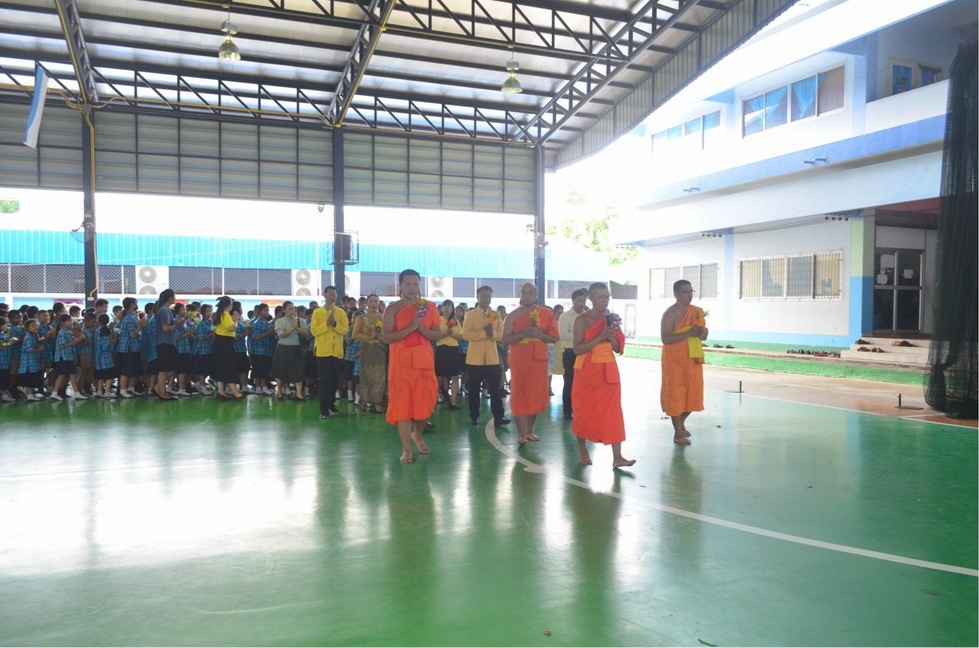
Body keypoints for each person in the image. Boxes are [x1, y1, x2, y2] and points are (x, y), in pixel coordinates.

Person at [571, 282, 636, 469]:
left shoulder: (611, 318)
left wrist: (611, 337)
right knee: (583, 410)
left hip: (608, 370)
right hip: (587, 371)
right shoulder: (581, 320)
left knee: (613, 411)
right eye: (600, 297)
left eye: (607, 297)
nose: (604, 301)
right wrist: (600, 336)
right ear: (591, 298)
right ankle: (583, 451)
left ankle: (618, 457)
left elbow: (618, 348)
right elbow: (577, 349)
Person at [382, 269, 442, 463]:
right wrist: (411, 327)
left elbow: (437, 334)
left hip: (424, 363)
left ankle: (417, 433)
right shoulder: (393, 309)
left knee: (426, 404)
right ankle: (406, 449)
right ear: (400, 286)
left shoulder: (429, 306)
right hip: (401, 365)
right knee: (403, 407)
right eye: (408, 284)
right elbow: (387, 337)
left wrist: (421, 327)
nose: (412, 288)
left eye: (415, 284)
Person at [502, 282, 558, 444]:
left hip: (539, 360)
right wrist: (523, 334)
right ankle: (520, 434)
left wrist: (540, 335)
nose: (527, 296)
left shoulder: (546, 313)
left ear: (536, 294)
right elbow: (505, 340)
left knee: (536, 395)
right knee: (520, 394)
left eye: (531, 293)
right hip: (520, 359)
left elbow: (554, 337)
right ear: (520, 294)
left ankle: (529, 431)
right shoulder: (512, 316)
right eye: (524, 293)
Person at [660, 279, 709, 445]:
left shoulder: (697, 312)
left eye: (691, 291)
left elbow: (703, 335)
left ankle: (680, 424)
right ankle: (678, 433)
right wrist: (689, 333)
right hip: (674, 362)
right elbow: (665, 338)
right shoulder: (670, 314)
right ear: (676, 294)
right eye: (685, 292)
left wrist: (702, 333)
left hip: (692, 359)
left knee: (692, 395)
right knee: (675, 396)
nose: (689, 295)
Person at [462, 285, 509, 428]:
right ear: (477, 297)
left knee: (495, 389)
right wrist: (484, 333)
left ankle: (499, 416)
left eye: (488, 296)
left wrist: (491, 334)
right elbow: (466, 335)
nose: (486, 299)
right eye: (483, 296)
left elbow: (500, 335)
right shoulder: (470, 315)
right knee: (474, 389)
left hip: (492, 358)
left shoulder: (495, 315)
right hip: (474, 359)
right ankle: (474, 416)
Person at [310, 285, 349, 420]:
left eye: (334, 294)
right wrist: (326, 324)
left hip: (336, 351)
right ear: (324, 295)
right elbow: (314, 331)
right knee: (324, 381)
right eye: (330, 294)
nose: (332, 296)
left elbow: (345, 330)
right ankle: (323, 409)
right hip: (323, 352)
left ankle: (331, 405)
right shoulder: (318, 312)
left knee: (334, 380)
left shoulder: (341, 312)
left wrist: (335, 325)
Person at [351, 294, 387, 413]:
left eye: (376, 301)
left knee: (379, 376)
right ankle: (364, 401)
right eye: (371, 301)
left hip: (380, 349)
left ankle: (377, 402)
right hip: (367, 348)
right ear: (366, 303)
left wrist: (381, 337)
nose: (373, 304)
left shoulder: (382, 317)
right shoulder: (361, 318)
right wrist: (369, 337)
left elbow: (387, 333)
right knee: (366, 376)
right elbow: (355, 334)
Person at [270, 300, 311, 400]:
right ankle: (280, 392)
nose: (292, 311)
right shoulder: (280, 321)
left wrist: (297, 328)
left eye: (293, 308)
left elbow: (306, 334)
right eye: (289, 309)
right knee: (280, 371)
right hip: (283, 348)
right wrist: (293, 327)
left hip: (296, 347)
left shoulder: (300, 321)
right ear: (284, 310)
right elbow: (281, 335)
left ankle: (299, 393)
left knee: (298, 371)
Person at [558, 288, 588, 420]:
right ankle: (567, 410)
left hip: (585, 353)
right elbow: (563, 335)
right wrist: (580, 333)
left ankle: (581, 408)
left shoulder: (588, 315)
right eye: (579, 301)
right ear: (573, 301)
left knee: (584, 382)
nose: (582, 303)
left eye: (584, 301)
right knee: (569, 382)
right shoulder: (565, 316)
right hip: (570, 353)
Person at [211, 296, 244, 399]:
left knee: (221, 367)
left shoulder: (220, 313)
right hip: (224, 345)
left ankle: (221, 391)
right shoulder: (225, 314)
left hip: (220, 343)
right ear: (229, 305)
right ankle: (235, 392)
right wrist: (236, 320)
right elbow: (231, 328)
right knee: (228, 367)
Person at [435, 299, 463, 409]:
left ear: (452, 309)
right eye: (445, 306)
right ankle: (434, 399)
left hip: (454, 350)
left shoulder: (455, 321)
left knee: (455, 376)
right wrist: (447, 333)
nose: (447, 308)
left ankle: (453, 402)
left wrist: (452, 334)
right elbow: (436, 337)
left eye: (449, 306)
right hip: (442, 349)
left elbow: (461, 337)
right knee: (439, 377)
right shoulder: (437, 320)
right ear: (441, 308)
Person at [153, 289, 181, 401]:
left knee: (172, 367)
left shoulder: (164, 310)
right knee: (164, 369)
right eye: (174, 296)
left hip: (166, 342)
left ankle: (158, 388)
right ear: (170, 298)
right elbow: (166, 328)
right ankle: (162, 393)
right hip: (165, 342)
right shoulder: (164, 310)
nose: (175, 298)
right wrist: (176, 325)